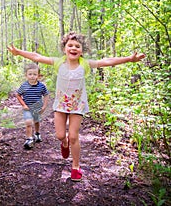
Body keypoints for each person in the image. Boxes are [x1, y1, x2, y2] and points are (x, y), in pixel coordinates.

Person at [8, 31, 145, 181]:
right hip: (60, 105)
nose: (73, 48)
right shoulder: (58, 62)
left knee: (74, 136)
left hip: (77, 106)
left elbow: (107, 61)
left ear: (81, 50)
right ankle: (64, 143)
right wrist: (18, 52)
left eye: (77, 46)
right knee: (61, 135)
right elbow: (37, 57)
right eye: (70, 45)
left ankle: (75, 166)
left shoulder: (85, 64)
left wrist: (129, 59)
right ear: (64, 48)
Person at [16, 63, 50, 149]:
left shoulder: (41, 86)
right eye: (30, 74)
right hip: (27, 107)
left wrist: (44, 106)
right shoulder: (24, 86)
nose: (32, 76)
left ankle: (37, 133)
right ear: (26, 75)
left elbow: (46, 95)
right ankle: (29, 139)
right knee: (28, 123)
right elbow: (18, 95)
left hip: (37, 107)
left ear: (38, 75)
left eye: (34, 74)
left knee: (36, 121)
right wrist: (23, 105)